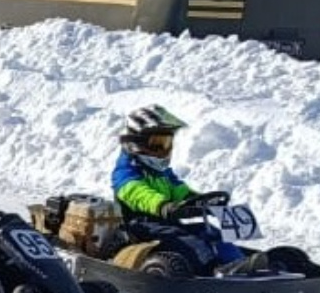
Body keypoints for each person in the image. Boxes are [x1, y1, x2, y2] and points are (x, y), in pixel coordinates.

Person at [112, 104, 268, 275]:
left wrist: (196, 200)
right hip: (141, 227)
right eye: (157, 143)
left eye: (167, 143)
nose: (164, 149)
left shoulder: (162, 172)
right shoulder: (125, 174)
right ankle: (213, 271)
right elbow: (140, 194)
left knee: (210, 232)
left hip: (166, 222)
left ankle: (239, 264)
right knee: (189, 241)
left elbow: (179, 189)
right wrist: (163, 206)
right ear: (136, 143)